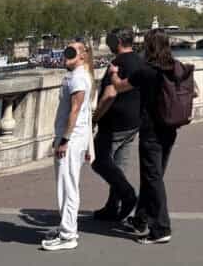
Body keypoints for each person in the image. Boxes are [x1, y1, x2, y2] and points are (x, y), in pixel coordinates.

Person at [109, 28, 191, 244]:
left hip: (151, 130)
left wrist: (114, 73)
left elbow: (119, 87)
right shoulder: (178, 68)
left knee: (153, 178)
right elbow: (196, 91)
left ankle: (161, 228)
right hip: (171, 128)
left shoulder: (147, 71)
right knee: (154, 175)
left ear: (148, 46)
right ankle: (141, 219)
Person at [41, 39, 94, 251]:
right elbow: (86, 114)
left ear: (82, 56)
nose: (66, 55)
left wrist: (64, 140)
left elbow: (76, 111)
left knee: (67, 186)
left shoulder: (79, 79)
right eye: (66, 51)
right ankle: (67, 227)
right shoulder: (78, 76)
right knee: (67, 184)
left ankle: (68, 235)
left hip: (70, 140)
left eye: (72, 52)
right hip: (74, 138)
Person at [90, 28, 144, 223]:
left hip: (114, 123)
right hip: (134, 122)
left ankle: (127, 194)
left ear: (118, 42)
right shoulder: (140, 61)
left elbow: (110, 94)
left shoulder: (117, 64)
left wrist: (95, 118)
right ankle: (113, 206)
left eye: (111, 40)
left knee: (98, 160)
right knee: (119, 166)